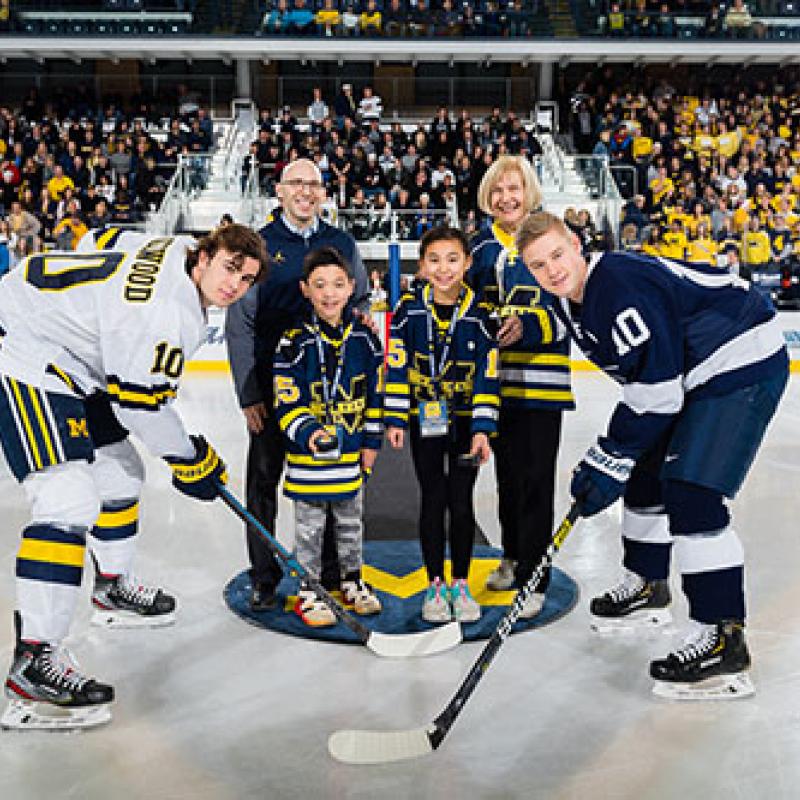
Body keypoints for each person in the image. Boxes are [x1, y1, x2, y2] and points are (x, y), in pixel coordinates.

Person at [0, 224, 269, 729]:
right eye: (231, 267)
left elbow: (101, 238)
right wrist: (192, 460)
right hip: (23, 349)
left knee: (122, 473)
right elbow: (141, 408)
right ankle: (32, 662)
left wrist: (88, 311)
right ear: (205, 255)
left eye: (248, 278)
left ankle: (111, 587)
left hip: (74, 354)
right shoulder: (169, 314)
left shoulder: (165, 246)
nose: (235, 285)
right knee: (67, 498)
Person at [517, 211, 789, 699]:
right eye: (538, 265)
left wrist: (609, 452)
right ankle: (647, 585)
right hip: (693, 370)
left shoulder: (618, 284)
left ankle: (722, 635)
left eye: (557, 254)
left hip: (739, 358)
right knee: (644, 473)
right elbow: (647, 384)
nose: (552, 269)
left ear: (577, 244)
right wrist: (620, 454)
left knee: (692, 492)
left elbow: (658, 392)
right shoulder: (567, 300)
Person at [225, 158, 369, 612]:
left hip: (330, 395)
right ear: (280, 190)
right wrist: (248, 392)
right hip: (274, 390)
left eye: (314, 184)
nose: (305, 191)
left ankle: (327, 576)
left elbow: (360, 301)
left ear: (324, 193)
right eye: (296, 184)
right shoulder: (261, 245)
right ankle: (264, 577)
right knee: (264, 484)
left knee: (329, 485)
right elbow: (240, 323)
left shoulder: (341, 242)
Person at [467, 155, 574, 618]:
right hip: (495, 385)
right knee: (507, 480)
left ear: (528, 191)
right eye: (497, 190)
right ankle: (512, 557)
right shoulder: (480, 249)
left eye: (513, 188)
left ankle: (535, 574)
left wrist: (528, 325)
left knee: (535, 483)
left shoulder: (553, 241)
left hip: (541, 386)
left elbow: (570, 306)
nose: (506, 198)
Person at [384, 226, 500, 625]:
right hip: (425, 419)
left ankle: (462, 583)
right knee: (432, 496)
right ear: (422, 265)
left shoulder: (483, 316)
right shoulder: (408, 312)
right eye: (434, 260)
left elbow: (488, 375)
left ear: (467, 263)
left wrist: (483, 428)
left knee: (461, 499)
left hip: (467, 422)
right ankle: (435, 583)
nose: (443, 268)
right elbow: (396, 368)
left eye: (453, 259)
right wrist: (397, 417)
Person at [273, 246, 383, 626]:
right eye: (320, 285)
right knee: (309, 528)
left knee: (352, 523)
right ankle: (308, 588)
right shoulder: (292, 342)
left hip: (349, 457)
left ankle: (352, 580)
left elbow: (375, 397)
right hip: (309, 461)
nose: (329, 293)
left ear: (352, 287)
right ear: (305, 289)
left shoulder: (367, 340)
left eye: (338, 284)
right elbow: (286, 401)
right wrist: (310, 433)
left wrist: (371, 443)